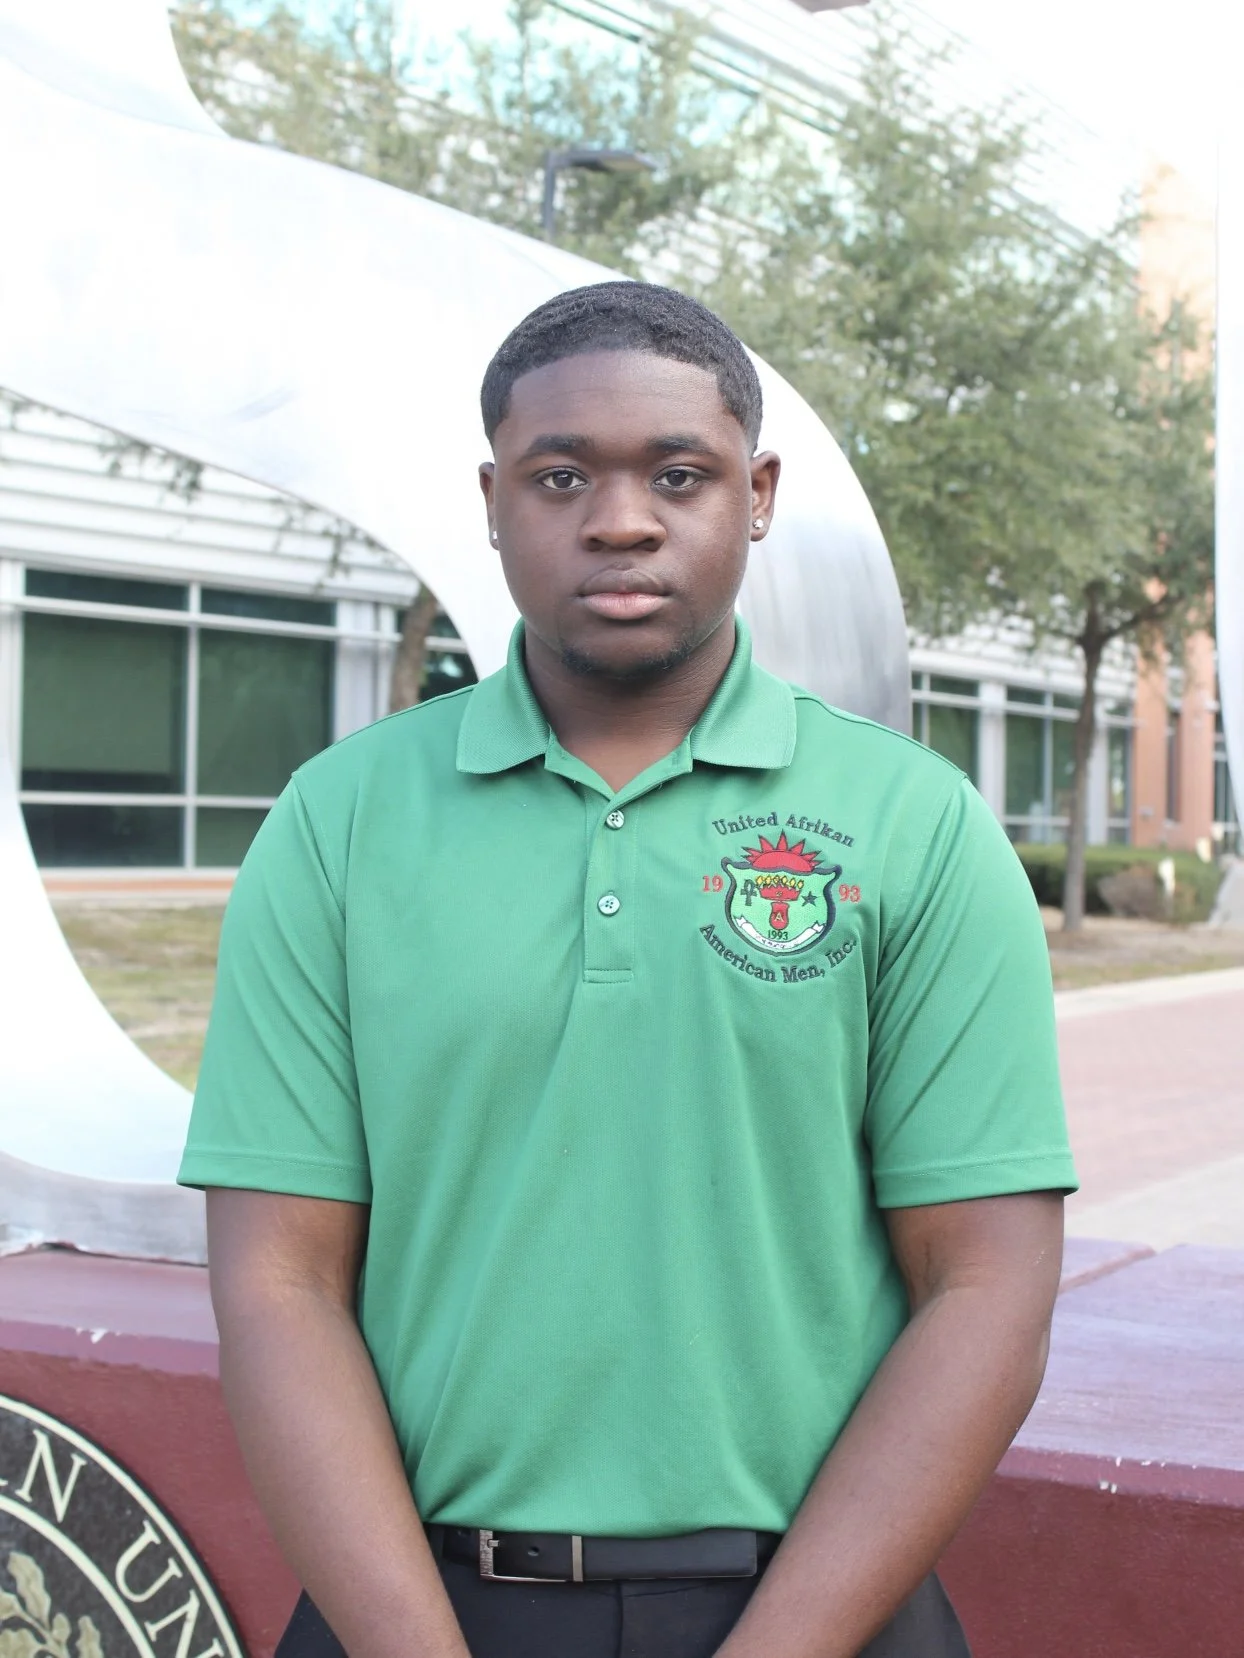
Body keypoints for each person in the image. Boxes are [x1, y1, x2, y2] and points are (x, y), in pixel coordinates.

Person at [180, 281, 1076, 1658]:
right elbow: (278, 1282)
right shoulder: (336, 822)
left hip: (818, 1608)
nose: (619, 518)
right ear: (492, 498)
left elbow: (988, 1289)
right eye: (559, 475)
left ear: (757, 492)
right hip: (418, 1605)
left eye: (678, 472)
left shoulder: (917, 826)